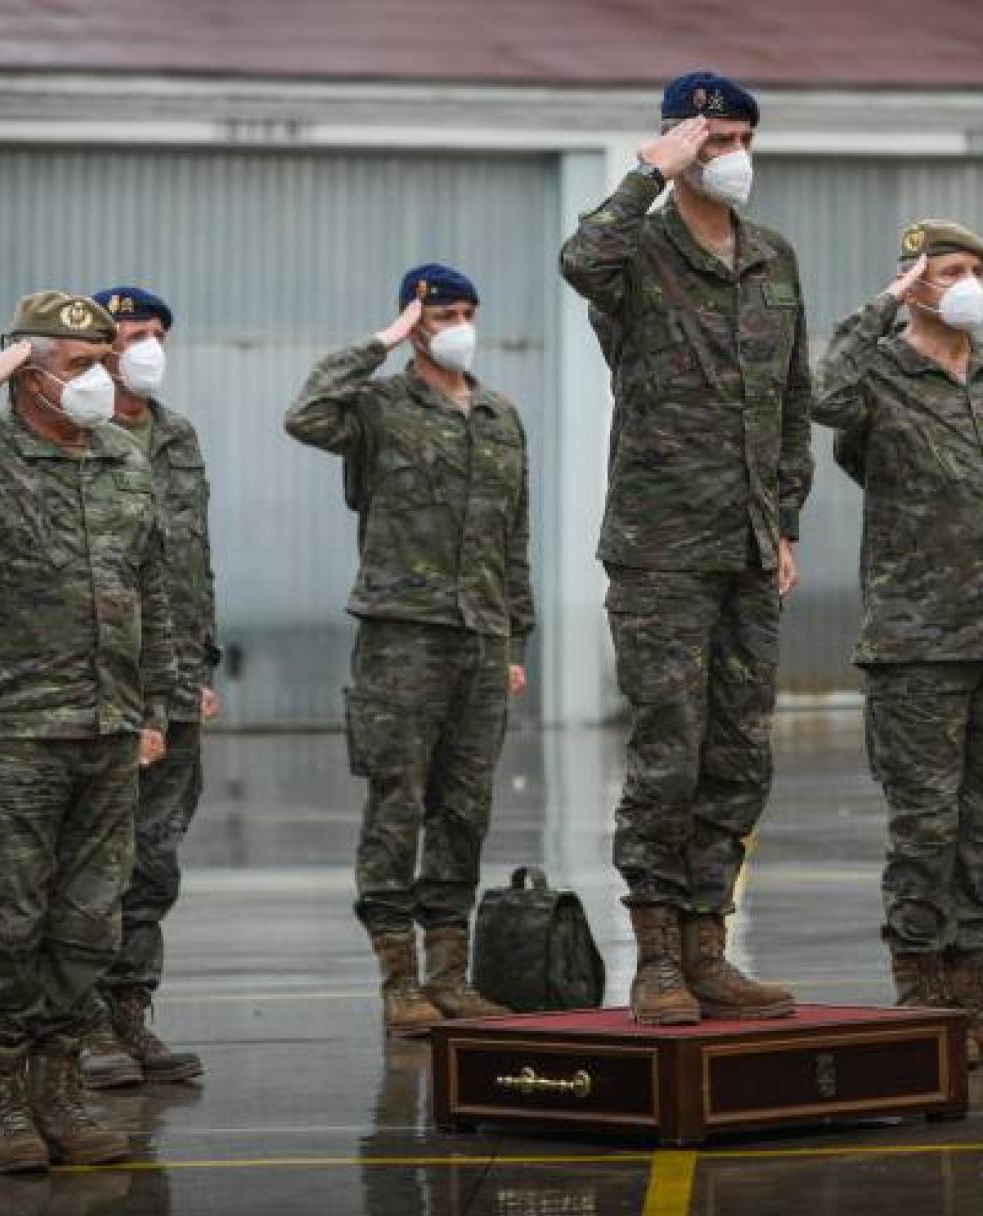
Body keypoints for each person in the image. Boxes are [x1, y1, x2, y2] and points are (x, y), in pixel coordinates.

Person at [0, 291, 177, 1171]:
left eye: (102, 363)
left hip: (108, 729)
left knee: (88, 927)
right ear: (31, 372)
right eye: (77, 365)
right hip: (7, 734)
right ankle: (6, 1104)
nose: (97, 380)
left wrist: (153, 709)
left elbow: (151, 593)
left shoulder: (125, 459)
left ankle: (61, 1090)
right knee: (14, 927)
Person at [559, 70, 814, 1026]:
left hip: (747, 544)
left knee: (740, 752)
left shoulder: (773, 256)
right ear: (677, 144)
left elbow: (793, 397)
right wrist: (644, 175)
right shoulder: (639, 249)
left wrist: (783, 518)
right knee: (668, 749)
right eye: (712, 139)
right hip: (661, 543)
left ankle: (711, 945)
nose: (732, 156)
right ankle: (657, 957)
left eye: (742, 138)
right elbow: (580, 260)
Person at [813, 220, 983, 1066]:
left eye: (979, 268)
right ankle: (921, 1004)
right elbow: (821, 397)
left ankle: (970, 1001)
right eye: (952, 269)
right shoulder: (878, 375)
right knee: (925, 828)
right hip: (916, 642)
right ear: (915, 278)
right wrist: (882, 309)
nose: (971, 282)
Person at [285, 264, 533, 1037]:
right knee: (398, 808)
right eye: (440, 313)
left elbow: (513, 538)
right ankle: (399, 981)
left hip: (481, 640)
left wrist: (515, 637)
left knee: (464, 810)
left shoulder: (499, 414)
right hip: (401, 636)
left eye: (466, 310)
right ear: (412, 322)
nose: (457, 323)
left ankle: (449, 976)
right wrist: (378, 343)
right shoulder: (379, 408)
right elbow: (305, 414)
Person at [76, 286, 215, 1088]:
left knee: (155, 861)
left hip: (175, 676)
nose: (149, 345)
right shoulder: (74, 433)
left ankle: (131, 1014)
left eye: (159, 333)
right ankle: (84, 1024)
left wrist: (200, 667)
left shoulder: (177, 435)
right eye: (134, 333)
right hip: (98, 682)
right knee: (97, 861)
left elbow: (194, 559)